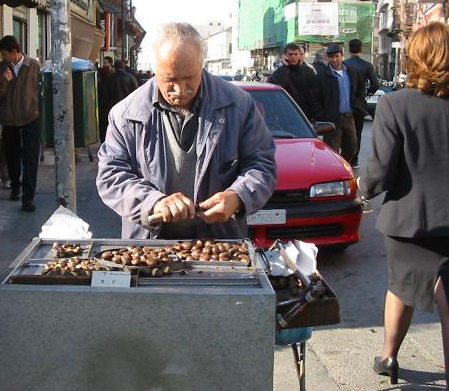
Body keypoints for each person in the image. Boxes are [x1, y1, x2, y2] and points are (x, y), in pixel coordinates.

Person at [359, 22, 449, 391]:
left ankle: (389, 356)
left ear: (415, 58)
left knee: (400, 285)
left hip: (409, 224)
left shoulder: (395, 103)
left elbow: (380, 171)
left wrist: (363, 188)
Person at [96, 22, 277, 239]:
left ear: (202, 66)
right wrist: (153, 202)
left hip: (220, 243)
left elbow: (262, 163)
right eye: (170, 79)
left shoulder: (239, 105)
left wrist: (238, 196)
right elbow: (111, 175)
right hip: (149, 246)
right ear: (155, 70)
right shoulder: (126, 114)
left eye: (189, 78)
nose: (180, 90)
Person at [0, 35, 41, 212]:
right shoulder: (0, 69)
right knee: (11, 157)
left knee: (31, 158)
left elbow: (42, 92)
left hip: (31, 118)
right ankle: (15, 186)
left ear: (14, 52)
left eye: (4, 53)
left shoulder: (33, 66)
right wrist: (4, 81)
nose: (2, 57)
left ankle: (28, 198)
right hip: (9, 120)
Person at [313, 43, 365, 163]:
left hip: (349, 117)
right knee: (332, 152)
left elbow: (360, 89)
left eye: (337, 56)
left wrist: (358, 106)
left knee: (352, 148)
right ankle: (334, 171)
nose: (334, 59)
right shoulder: (323, 75)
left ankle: (342, 166)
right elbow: (316, 98)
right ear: (327, 57)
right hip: (332, 119)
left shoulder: (351, 72)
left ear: (342, 56)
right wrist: (323, 115)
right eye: (331, 57)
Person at [344, 38, 380, 168]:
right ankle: (355, 160)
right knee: (357, 132)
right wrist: (368, 93)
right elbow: (375, 84)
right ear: (361, 49)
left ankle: (345, 159)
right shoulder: (367, 65)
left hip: (345, 102)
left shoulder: (344, 64)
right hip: (360, 103)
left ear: (349, 49)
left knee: (345, 132)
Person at [269, 42, 319, 120]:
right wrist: (285, 67)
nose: (293, 57)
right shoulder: (280, 72)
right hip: (285, 115)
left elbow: (316, 94)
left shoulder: (308, 71)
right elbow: (278, 87)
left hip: (306, 116)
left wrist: (314, 114)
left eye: (295, 54)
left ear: (299, 55)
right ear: (285, 56)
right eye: (290, 54)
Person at [98, 58, 139, 142]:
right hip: (127, 109)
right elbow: (137, 94)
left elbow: (104, 96)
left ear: (114, 67)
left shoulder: (109, 78)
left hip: (112, 109)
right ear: (124, 67)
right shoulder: (131, 78)